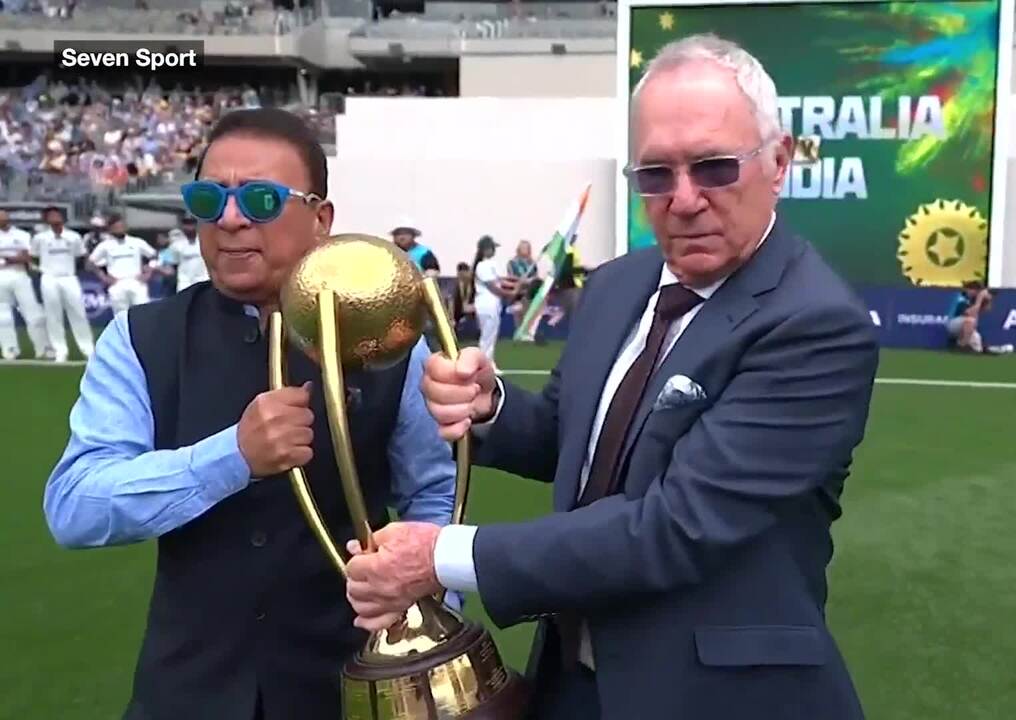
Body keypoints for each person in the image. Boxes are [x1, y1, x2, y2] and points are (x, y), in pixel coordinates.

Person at [342, 35, 879, 720]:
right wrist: (491, 407)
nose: (683, 200)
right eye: (655, 174)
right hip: (570, 682)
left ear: (778, 162)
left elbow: (675, 527)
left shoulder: (816, 323)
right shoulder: (620, 283)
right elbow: (572, 440)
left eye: (713, 167)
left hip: (717, 699)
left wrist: (439, 555)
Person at [43, 108, 459, 720]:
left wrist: (420, 602)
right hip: (184, 693)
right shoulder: (141, 338)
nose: (230, 219)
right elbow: (74, 506)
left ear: (321, 220)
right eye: (209, 198)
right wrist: (230, 458)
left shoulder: (387, 343)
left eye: (261, 199)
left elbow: (433, 494)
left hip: (345, 688)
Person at [31, 206, 95, 362]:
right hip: (49, 278)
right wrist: (40, 270)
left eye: (57, 215)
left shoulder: (73, 237)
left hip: (69, 277)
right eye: (51, 215)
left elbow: (81, 256)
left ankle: (88, 349)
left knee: (78, 312)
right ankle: (60, 350)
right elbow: (33, 256)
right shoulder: (40, 238)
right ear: (46, 219)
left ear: (62, 217)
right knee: (53, 315)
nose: (54, 218)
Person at [0, 209, 53, 360]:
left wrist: (11, 259)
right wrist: (13, 257)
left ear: (8, 218)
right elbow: (19, 256)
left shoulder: (22, 235)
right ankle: (10, 350)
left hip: (19, 274)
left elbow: (27, 256)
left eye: (3, 216)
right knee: (2, 316)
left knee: (34, 313)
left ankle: (43, 348)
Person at [88, 213, 157, 316]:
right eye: (116, 227)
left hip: (136, 282)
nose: (120, 229)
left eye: (121, 226)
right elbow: (90, 262)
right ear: (110, 229)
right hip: (117, 284)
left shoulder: (136, 242)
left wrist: (149, 272)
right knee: (121, 318)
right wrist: (103, 277)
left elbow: (154, 255)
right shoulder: (105, 245)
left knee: (144, 315)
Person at [471, 235, 508, 369]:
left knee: (491, 336)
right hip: (486, 303)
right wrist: (510, 294)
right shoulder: (482, 266)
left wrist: (517, 284)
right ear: (486, 250)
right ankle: (483, 364)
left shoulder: (492, 265)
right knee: (487, 336)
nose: (494, 251)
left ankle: (488, 362)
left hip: (493, 303)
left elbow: (502, 281)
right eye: (492, 248)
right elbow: (493, 287)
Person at [945, 281, 1012, 355]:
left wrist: (988, 300)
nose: (973, 292)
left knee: (978, 348)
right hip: (953, 324)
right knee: (970, 321)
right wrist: (979, 299)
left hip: (967, 326)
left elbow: (987, 309)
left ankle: (959, 343)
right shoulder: (962, 297)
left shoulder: (974, 299)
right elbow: (968, 313)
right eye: (972, 290)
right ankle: (961, 346)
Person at [162, 216, 210, 293]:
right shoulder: (176, 244)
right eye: (186, 224)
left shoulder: (205, 240)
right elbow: (173, 265)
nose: (189, 227)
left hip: (203, 279)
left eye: (191, 223)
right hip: (184, 282)